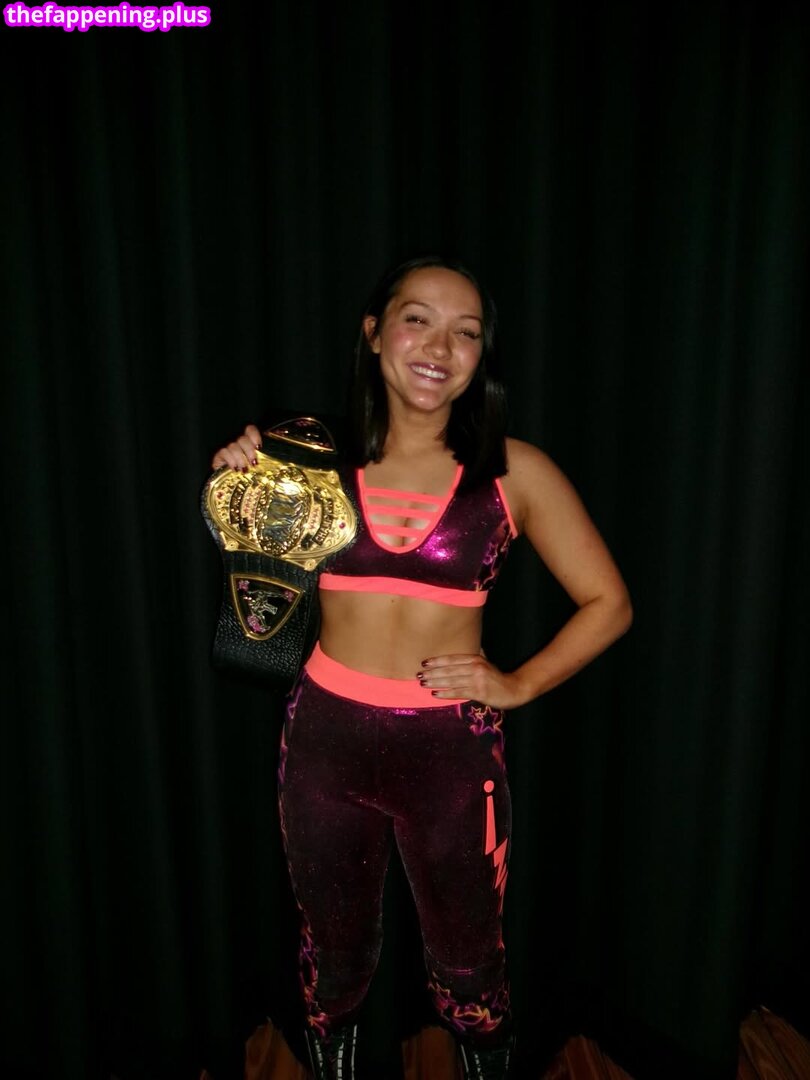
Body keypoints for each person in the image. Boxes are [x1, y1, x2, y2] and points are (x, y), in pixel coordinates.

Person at [211, 255, 632, 1079]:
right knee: (332, 962)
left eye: (465, 332)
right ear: (374, 334)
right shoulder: (309, 461)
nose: (440, 346)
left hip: (451, 754)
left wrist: (517, 684)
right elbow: (252, 560)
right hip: (323, 742)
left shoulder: (512, 472)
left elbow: (608, 603)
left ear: (482, 356)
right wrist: (243, 473)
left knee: (472, 970)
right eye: (418, 319)